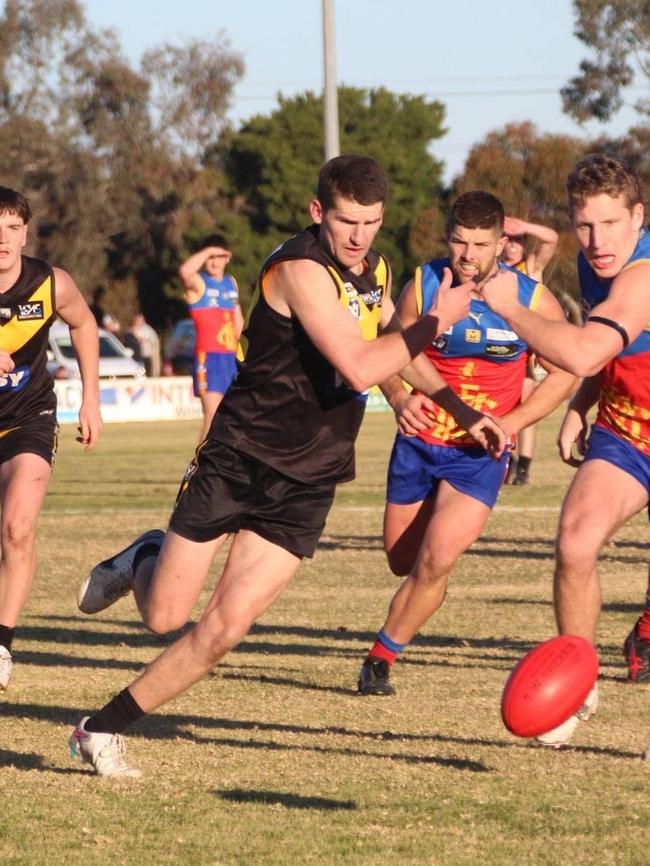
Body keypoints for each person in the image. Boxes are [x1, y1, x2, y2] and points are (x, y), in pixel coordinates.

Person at [69, 155, 506, 778]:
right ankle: (145, 556)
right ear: (317, 212)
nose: (359, 236)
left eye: (372, 222)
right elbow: (359, 365)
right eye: (348, 221)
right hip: (239, 457)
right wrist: (437, 319)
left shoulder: (374, 268)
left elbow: (391, 346)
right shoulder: (300, 269)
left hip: (310, 478)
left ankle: (99, 729)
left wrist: (458, 407)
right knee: (164, 616)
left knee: (224, 630)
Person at [356, 191, 575, 696]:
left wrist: (512, 421)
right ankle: (423, 591)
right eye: (460, 241)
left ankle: (381, 659)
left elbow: (567, 369)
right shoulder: (423, 283)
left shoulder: (532, 299)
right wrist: (396, 395)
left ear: (503, 243)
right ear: (447, 238)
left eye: (481, 244)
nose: (469, 255)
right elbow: (395, 350)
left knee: (437, 558)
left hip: (479, 455)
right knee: (403, 561)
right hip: (420, 442)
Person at [480, 153, 650, 746]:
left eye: (610, 225)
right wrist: (582, 406)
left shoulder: (644, 274)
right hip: (631, 430)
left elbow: (580, 350)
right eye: (585, 225)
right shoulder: (592, 260)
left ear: (639, 217)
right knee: (575, 544)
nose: (598, 241)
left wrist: (507, 305)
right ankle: (579, 685)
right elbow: (600, 356)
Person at [0, 186, 102, 690]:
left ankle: (1, 644)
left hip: (29, 417)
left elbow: (84, 325)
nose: (2, 240)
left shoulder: (51, 283)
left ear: (25, 233)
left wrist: (91, 399)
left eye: (12, 228)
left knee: (17, 527)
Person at [500, 216, 560, 486]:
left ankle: (523, 466)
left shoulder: (531, 266)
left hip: (526, 343)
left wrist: (524, 227)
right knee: (503, 402)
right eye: (508, 240)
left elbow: (551, 238)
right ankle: (505, 456)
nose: (513, 247)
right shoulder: (493, 269)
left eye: (519, 241)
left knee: (527, 400)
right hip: (497, 344)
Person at [178, 235, 244, 441]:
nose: (215, 262)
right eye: (210, 257)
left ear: (227, 258)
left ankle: (224, 467)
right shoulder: (199, 283)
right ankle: (201, 469)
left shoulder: (231, 283)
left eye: (219, 256)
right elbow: (185, 271)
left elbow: (237, 318)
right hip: (209, 358)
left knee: (231, 417)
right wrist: (207, 250)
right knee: (213, 416)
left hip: (229, 357)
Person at [125, 313, 160, 377]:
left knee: (148, 371)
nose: (138, 322)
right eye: (137, 320)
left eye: (140, 320)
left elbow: (152, 342)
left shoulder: (148, 330)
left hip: (147, 355)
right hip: (136, 356)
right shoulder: (131, 329)